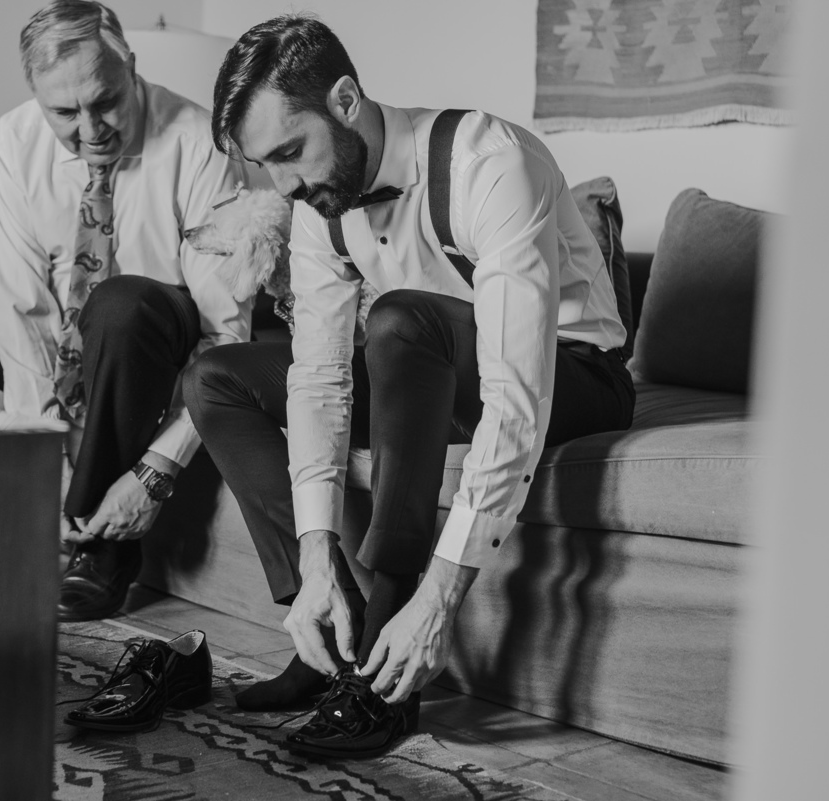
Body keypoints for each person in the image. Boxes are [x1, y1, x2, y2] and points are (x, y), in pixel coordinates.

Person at [184, 15, 634, 759]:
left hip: (575, 374)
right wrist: (317, 545)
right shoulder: (314, 203)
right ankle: (329, 629)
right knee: (215, 379)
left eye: (293, 151)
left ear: (347, 98)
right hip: (421, 375)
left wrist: (438, 598)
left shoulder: (491, 161)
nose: (287, 184)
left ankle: (385, 675)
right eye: (269, 166)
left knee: (396, 320)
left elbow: (518, 394)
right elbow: (321, 379)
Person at [0, 0, 250, 622]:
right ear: (37, 98)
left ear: (132, 68)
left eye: (105, 101)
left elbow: (224, 334)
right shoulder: (12, 143)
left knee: (120, 303)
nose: (90, 128)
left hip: (152, 338)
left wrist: (159, 469)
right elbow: (23, 311)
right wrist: (42, 460)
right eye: (64, 112)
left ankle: (98, 548)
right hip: (73, 340)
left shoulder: (199, 143)